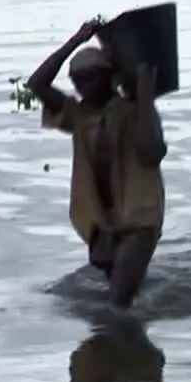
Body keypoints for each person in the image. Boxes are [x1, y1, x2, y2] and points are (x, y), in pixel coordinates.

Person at [26, 19, 167, 308]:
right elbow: (37, 83)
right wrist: (76, 39)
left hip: (140, 216)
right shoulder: (77, 115)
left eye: (90, 78)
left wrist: (145, 97)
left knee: (117, 301)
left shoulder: (132, 111)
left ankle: (119, 344)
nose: (81, 86)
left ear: (109, 77)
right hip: (100, 222)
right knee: (125, 296)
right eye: (77, 80)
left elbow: (152, 152)